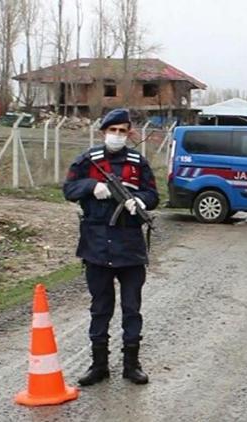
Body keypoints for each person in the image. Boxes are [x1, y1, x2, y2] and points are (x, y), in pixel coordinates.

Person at [62, 108, 159, 386]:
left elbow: (153, 195)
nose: (117, 136)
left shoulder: (137, 162)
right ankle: (99, 365)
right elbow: (68, 189)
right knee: (100, 308)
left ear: (129, 133)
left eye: (122, 131)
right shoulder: (87, 160)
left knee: (132, 308)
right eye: (112, 130)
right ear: (103, 131)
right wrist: (92, 186)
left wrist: (139, 200)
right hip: (96, 245)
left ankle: (132, 365)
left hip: (129, 246)